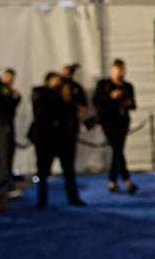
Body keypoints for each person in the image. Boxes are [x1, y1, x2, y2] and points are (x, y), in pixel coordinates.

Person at [28, 72, 85, 208]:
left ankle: (73, 198)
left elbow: (73, 111)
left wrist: (66, 94)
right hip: (45, 139)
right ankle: (42, 200)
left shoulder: (65, 97)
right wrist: (51, 89)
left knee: (69, 170)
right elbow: (38, 106)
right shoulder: (40, 92)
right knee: (42, 171)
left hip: (64, 138)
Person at [92, 59, 138, 194]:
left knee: (117, 151)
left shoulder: (128, 86)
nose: (120, 72)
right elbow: (96, 101)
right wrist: (111, 97)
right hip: (108, 121)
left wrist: (127, 103)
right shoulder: (104, 85)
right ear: (112, 70)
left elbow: (134, 105)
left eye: (122, 69)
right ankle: (127, 180)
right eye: (117, 69)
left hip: (122, 121)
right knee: (117, 149)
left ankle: (112, 182)